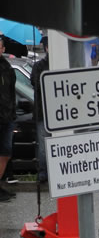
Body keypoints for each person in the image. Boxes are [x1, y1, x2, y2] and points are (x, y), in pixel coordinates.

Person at [31, 35, 49, 182]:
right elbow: (35, 83)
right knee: (43, 146)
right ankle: (43, 173)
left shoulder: (61, 64)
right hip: (42, 113)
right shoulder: (38, 66)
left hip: (59, 115)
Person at [0, 37, 16, 202]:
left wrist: (12, 112)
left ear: (3, 49)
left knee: (5, 153)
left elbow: (12, 92)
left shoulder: (8, 68)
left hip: (7, 117)